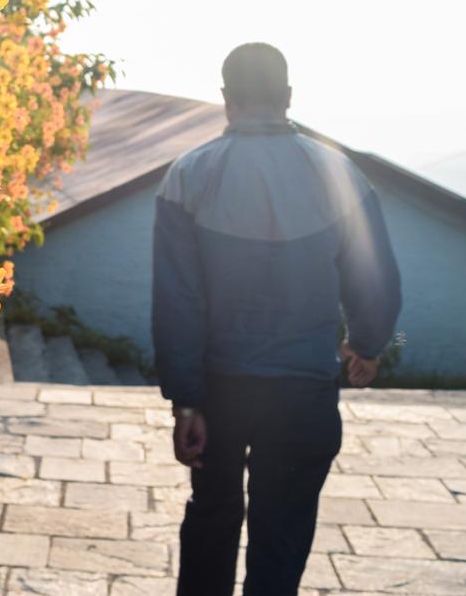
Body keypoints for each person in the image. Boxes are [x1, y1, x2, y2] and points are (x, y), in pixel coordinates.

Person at [151, 43, 401, 596]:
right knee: (282, 536)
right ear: (288, 98)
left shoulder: (188, 176)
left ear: (225, 100)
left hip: (220, 390)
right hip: (305, 390)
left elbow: (177, 303)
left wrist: (185, 401)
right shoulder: (338, 172)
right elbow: (374, 277)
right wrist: (366, 342)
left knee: (212, 519)